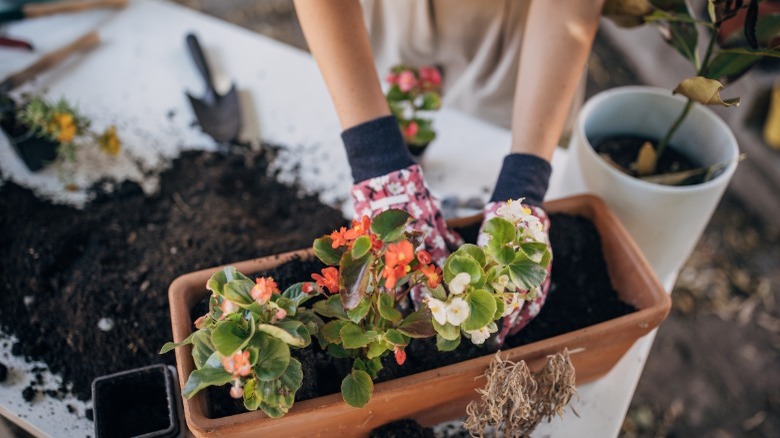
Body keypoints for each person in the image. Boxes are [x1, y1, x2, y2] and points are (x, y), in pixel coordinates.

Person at [292, 0, 605, 346]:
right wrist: (376, 159)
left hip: (521, 42)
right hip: (382, 17)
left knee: (484, 136)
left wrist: (524, 183)